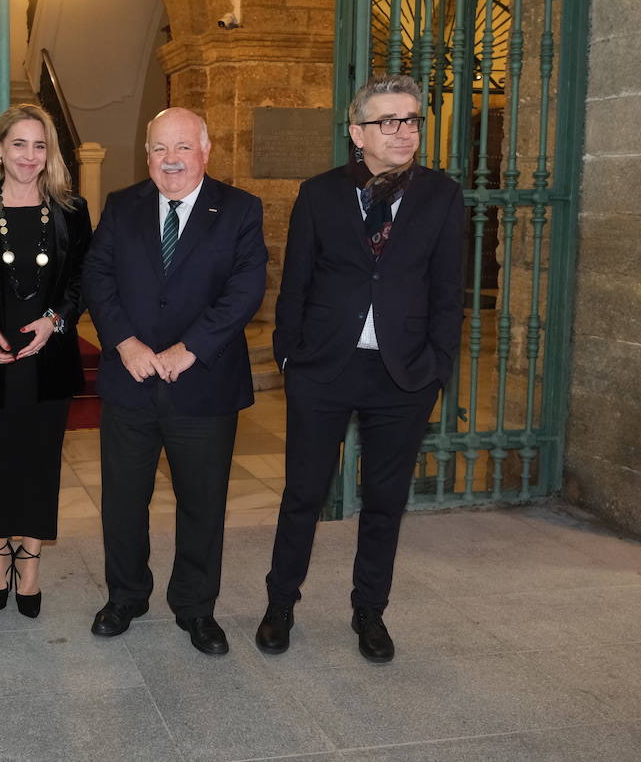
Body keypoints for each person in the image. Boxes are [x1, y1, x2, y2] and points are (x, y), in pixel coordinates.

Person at [256, 73, 464, 663]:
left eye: (412, 120)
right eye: (388, 122)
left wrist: (437, 366)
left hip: (404, 373)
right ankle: (280, 604)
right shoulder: (319, 193)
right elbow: (294, 282)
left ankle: (369, 611)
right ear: (357, 134)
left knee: (384, 499)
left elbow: (448, 290)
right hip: (324, 366)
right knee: (302, 493)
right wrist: (290, 356)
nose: (404, 132)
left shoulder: (441, 195)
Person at [84, 107, 267, 656]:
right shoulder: (122, 206)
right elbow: (96, 276)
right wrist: (125, 342)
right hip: (131, 380)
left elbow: (246, 288)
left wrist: (192, 348)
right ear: (147, 155)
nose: (171, 160)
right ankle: (126, 597)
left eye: (183, 147)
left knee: (202, 504)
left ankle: (195, 607)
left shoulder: (239, 209)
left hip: (203, 383)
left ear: (206, 151)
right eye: (160, 149)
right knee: (122, 500)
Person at [0, 104, 92, 619]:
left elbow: (80, 283)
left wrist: (54, 321)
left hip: (47, 359)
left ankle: (29, 560)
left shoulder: (72, 211)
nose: (29, 156)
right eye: (20, 144)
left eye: (39, 145)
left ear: (48, 152)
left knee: (39, 463)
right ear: (0, 149)